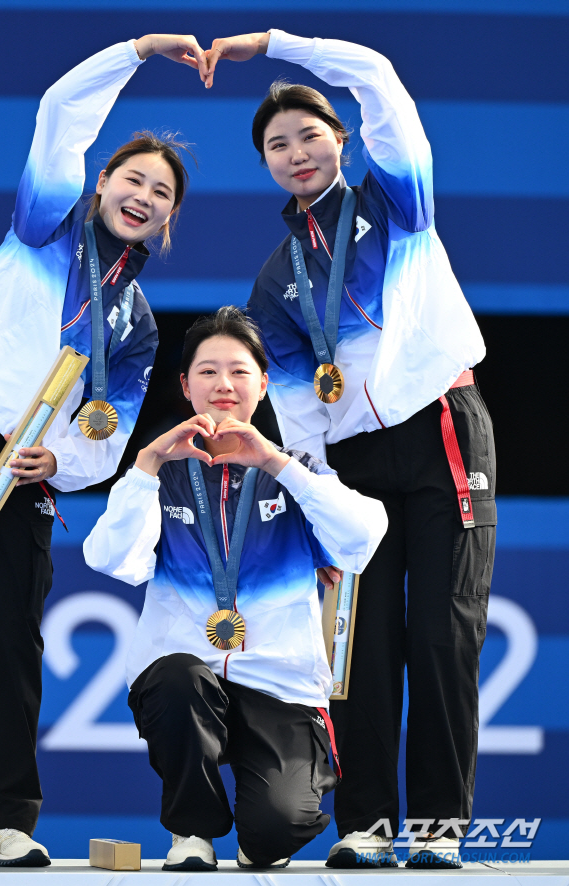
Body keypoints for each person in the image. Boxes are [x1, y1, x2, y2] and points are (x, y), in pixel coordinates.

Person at [0, 33, 209, 866]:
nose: (143, 195)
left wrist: (62, 464)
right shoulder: (44, 223)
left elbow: (111, 430)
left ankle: (2, 821)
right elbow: (61, 111)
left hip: (30, 466)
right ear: (99, 184)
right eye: (132, 178)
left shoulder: (137, 327)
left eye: (160, 192)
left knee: (12, 632)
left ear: (168, 220)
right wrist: (137, 50)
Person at [201, 31, 497, 868]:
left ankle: (440, 824)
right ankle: (365, 823)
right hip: (354, 464)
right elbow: (294, 403)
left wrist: (277, 44)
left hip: (440, 428)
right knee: (360, 647)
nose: (295, 154)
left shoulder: (399, 200)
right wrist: (321, 492)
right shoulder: (276, 275)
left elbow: (379, 78)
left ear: (343, 140)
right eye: (276, 145)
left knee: (442, 632)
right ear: (264, 164)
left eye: (308, 135)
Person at [83, 307, 387, 870]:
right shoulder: (161, 472)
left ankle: (259, 825)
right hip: (187, 676)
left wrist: (276, 462)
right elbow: (110, 560)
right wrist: (147, 463)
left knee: (278, 831)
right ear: (185, 384)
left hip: (281, 684)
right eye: (207, 371)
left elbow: (364, 537)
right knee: (178, 678)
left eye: (240, 371)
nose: (223, 384)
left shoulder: (297, 469)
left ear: (264, 383)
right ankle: (191, 834)